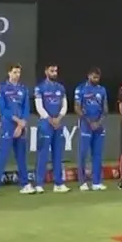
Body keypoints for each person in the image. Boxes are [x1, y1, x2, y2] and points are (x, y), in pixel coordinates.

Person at [0, 64, 32, 195]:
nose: (17, 75)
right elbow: (3, 109)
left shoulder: (23, 89)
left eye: (19, 73)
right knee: (2, 155)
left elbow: (26, 108)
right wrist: (17, 121)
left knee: (21, 156)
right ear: (9, 73)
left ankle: (25, 184)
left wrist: (21, 124)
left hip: (21, 126)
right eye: (14, 72)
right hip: (8, 125)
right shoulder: (2, 88)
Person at [33, 64, 69, 193]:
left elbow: (65, 105)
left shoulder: (61, 88)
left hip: (58, 123)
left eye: (56, 71)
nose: (54, 73)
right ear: (46, 71)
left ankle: (58, 183)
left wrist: (58, 118)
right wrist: (49, 119)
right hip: (45, 123)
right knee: (43, 154)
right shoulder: (40, 87)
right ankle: (39, 184)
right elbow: (39, 106)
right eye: (52, 71)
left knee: (58, 154)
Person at [75, 68, 109, 191]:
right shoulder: (80, 89)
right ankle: (82, 181)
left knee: (97, 154)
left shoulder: (102, 90)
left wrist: (99, 122)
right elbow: (77, 107)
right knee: (83, 153)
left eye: (97, 77)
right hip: (85, 124)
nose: (96, 79)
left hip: (99, 126)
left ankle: (96, 182)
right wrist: (89, 122)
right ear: (88, 76)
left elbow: (105, 109)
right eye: (94, 77)